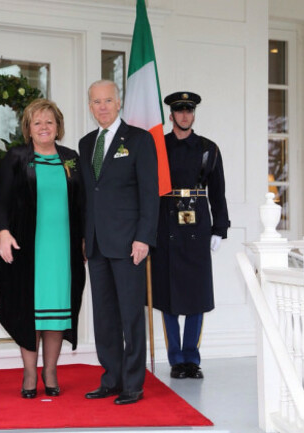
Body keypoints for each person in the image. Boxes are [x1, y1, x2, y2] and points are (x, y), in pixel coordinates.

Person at [0, 99, 86, 399]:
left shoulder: (71, 159)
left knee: (57, 312)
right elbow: (1, 200)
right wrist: (3, 232)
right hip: (28, 248)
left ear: (58, 126)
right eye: (37, 123)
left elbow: (83, 203)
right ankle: (30, 373)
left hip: (63, 248)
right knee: (28, 310)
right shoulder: (17, 157)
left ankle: (51, 371)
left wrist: (84, 238)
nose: (44, 127)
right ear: (28, 129)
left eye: (49, 122)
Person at [79, 80, 159, 405]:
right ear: (90, 106)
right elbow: (88, 195)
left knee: (130, 316)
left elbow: (149, 194)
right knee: (105, 317)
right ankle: (111, 377)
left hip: (129, 244)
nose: (102, 107)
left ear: (119, 102)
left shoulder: (139, 140)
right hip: (97, 245)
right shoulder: (86, 144)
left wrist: (144, 238)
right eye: (96, 102)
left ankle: (133, 384)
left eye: (107, 100)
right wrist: (86, 237)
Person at [150, 91, 230, 380]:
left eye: (189, 110)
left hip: (197, 226)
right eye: (179, 110)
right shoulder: (157, 147)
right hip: (165, 223)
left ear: (194, 114)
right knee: (168, 297)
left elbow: (217, 193)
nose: (184, 115)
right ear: (170, 115)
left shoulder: (208, 148)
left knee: (196, 295)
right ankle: (176, 359)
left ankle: (191, 360)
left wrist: (219, 229)